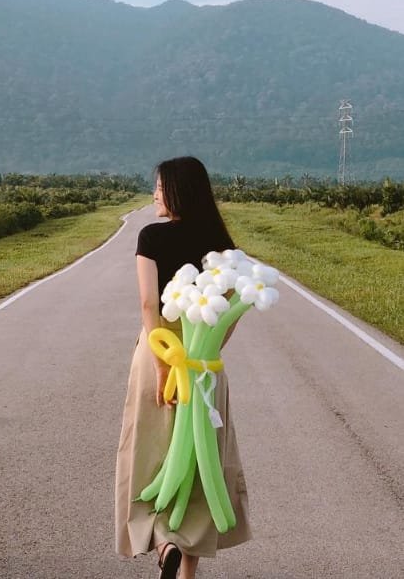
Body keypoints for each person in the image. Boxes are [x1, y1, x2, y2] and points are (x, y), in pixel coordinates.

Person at [115, 156, 251, 579]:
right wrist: (207, 351)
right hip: (202, 358)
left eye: (159, 187)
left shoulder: (151, 236)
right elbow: (232, 307)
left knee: (151, 449)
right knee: (199, 458)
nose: (154, 194)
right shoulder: (220, 243)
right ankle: (187, 567)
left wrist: (161, 366)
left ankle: (163, 540)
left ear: (177, 191)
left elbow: (147, 304)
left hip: (159, 350)